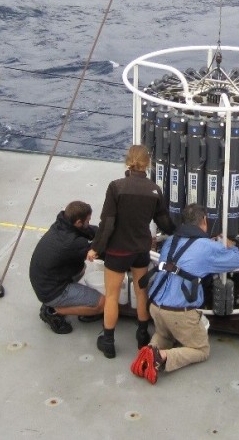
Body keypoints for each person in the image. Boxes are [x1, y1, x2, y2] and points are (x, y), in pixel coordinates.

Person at [130, 203, 239, 384]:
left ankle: (149, 353)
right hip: (179, 313)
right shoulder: (207, 246)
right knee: (201, 350)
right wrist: (230, 244)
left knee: (164, 335)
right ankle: (161, 357)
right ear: (204, 220)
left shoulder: (170, 241)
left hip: (155, 306)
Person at [87, 145, 176, 359]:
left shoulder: (116, 187)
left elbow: (107, 223)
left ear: (128, 162)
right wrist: (180, 233)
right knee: (141, 292)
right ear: (148, 164)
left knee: (112, 295)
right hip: (140, 249)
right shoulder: (154, 190)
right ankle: (142, 335)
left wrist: (96, 248)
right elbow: (164, 221)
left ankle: (108, 342)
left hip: (118, 250)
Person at [29, 201, 105, 334]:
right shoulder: (71, 243)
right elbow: (100, 252)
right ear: (78, 222)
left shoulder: (62, 223)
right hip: (51, 290)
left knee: (81, 269)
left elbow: (89, 230)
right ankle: (52, 310)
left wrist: (105, 232)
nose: (89, 222)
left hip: (44, 281)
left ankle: (58, 301)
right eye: (87, 220)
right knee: (103, 303)